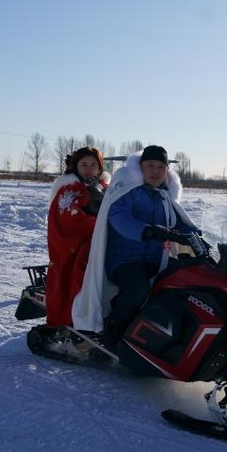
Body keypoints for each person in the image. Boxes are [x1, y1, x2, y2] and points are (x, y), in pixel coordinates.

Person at [71, 145, 198, 346]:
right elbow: (119, 217)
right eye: (150, 166)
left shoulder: (165, 198)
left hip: (156, 261)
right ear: (140, 167)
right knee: (137, 289)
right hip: (124, 260)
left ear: (167, 170)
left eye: (160, 167)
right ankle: (113, 330)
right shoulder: (128, 191)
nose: (155, 171)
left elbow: (181, 223)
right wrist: (146, 230)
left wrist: (199, 237)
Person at [45, 146, 109, 335]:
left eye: (93, 165)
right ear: (76, 166)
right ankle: (72, 319)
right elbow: (69, 218)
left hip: (102, 240)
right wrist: (101, 226)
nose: (89, 169)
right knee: (81, 272)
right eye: (84, 164)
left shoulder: (105, 188)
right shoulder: (71, 188)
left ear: (100, 167)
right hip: (78, 245)